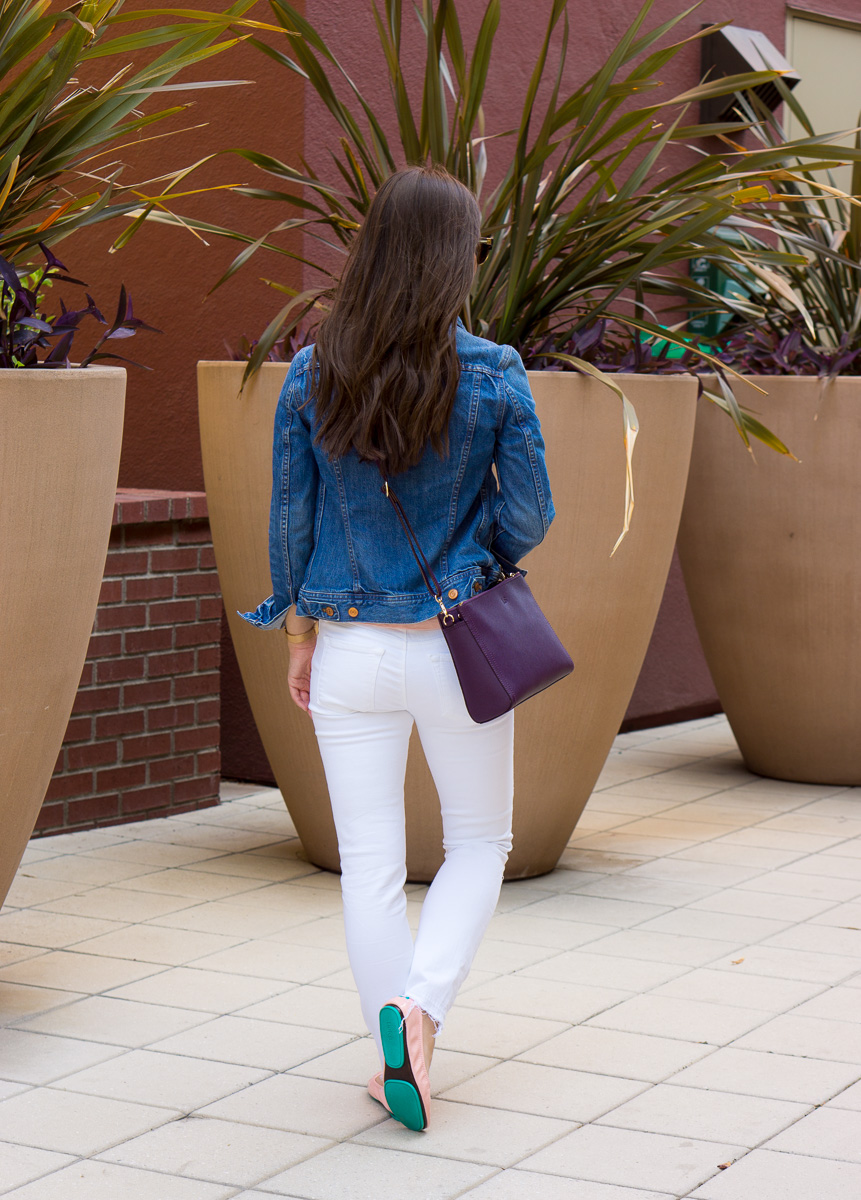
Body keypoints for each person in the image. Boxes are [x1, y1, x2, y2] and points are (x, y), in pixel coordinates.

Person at [241, 164, 554, 1132]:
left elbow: (288, 523)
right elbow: (532, 517)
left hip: (344, 648)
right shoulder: (495, 372)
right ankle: (422, 1015)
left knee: (370, 858)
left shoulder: (310, 370)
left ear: (373, 247)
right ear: (458, 260)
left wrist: (297, 634)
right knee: (478, 842)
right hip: (453, 647)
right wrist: (471, 566)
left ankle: (388, 1037)